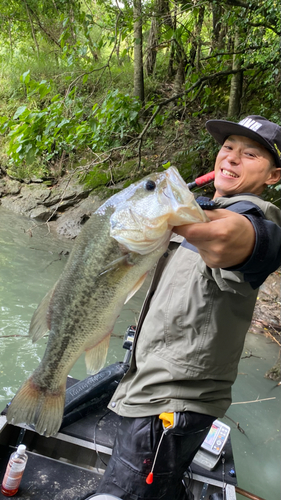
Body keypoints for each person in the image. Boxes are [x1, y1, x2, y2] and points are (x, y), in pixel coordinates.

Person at [93, 115, 281, 500]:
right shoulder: (204, 208)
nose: (231, 158)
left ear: (273, 176)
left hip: (172, 403)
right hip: (144, 385)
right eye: (228, 148)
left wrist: (175, 215)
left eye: (249, 154)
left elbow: (240, 235)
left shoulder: (259, 217)